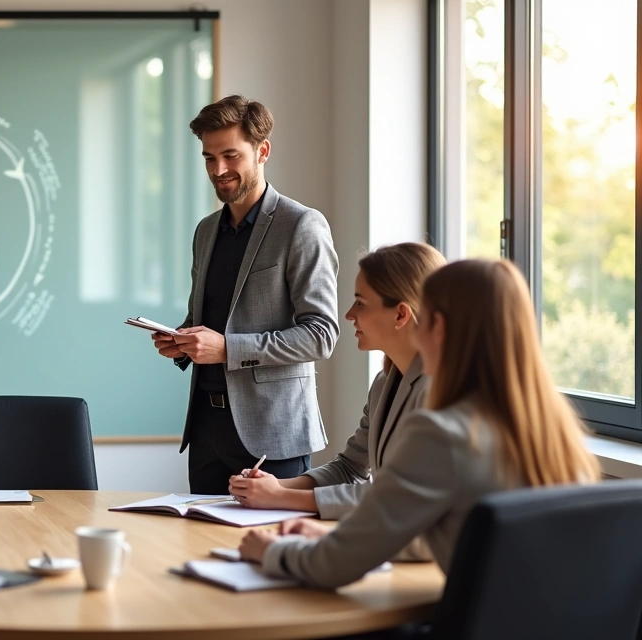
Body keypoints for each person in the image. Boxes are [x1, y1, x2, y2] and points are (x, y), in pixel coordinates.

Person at [238, 259, 600, 589]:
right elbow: (444, 530)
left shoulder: (444, 433)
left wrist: (271, 551)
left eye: (422, 319)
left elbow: (334, 567)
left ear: (437, 327)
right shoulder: (556, 428)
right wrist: (336, 535)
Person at [153, 94, 339, 494]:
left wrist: (227, 349)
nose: (218, 170)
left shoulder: (302, 225)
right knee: (195, 550)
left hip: (274, 435)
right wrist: (183, 340)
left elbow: (322, 334)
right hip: (205, 431)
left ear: (262, 151)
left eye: (231, 156)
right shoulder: (205, 232)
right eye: (208, 158)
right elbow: (210, 320)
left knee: (270, 553)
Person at [229, 243, 446, 522]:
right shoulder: (384, 383)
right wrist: (273, 485)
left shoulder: (440, 392)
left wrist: (280, 497)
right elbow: (349, 469)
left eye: (361, 303)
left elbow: (398, 497)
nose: (349, 314)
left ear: (401, 315)